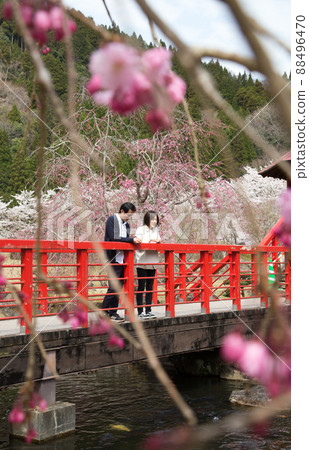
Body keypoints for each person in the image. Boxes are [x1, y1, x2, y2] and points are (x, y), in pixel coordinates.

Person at [102, 202, 141, 321]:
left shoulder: (127, 225)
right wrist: (131, 239)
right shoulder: (112, 220)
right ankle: (104, 312)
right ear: (122, 211)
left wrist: (131, 240)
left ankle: (113, 312)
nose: (129, 218)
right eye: (128, 215)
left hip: (123, 259)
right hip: (112, 258)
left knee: (119, 287)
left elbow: (124, 240)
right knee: (113, 287)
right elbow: (115, 237)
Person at [135, 211, 161, 319]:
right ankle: (140, 311)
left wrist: (157, 240)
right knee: (141, 286)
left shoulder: (156, 230)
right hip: (142, 261)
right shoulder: (140, 229)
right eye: (152, 219)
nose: (154, 221)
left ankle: (149, 309)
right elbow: (138, 241)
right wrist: (151, 241)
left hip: (153, 261)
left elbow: (158, 240)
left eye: (156, 219)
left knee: (150, 287)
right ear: (147, 219)